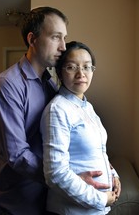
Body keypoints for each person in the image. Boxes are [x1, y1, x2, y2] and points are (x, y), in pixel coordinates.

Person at [0, 7, 114, 215]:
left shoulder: (50, 85)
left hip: (48, 198)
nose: (63, 47)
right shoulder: (7, 85)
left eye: (64, 38)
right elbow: (17, 155)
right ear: (32, 39)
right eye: (56, 37)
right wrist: (65, 176)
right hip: (16, 202)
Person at [40, 41, 121, 215]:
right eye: (71, 67)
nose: (81, 74)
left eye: (87, 67)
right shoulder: (58, 110)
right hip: (71, 211)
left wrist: (113, 175)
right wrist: (101, 199)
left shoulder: (86, 106)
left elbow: (99, 150)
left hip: (96, 209)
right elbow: (55, 174)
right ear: (60, 73)